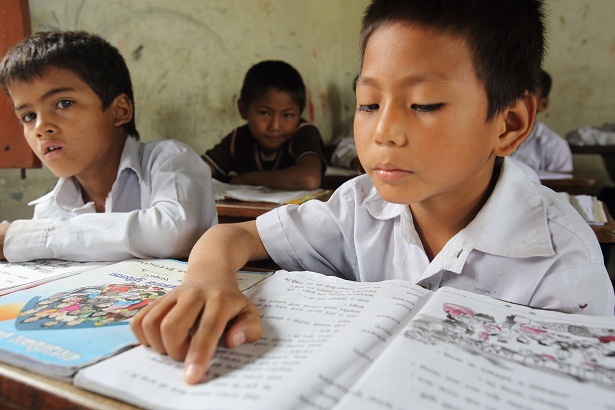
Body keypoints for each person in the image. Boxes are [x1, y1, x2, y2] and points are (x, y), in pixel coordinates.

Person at [132, 0, 615, 385]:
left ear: (509, 124)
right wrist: (208, 281)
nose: (383, 132)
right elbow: (232, 237)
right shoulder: (358, 206)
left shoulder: (562, 262)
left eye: (424, 104)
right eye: (368, 103)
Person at [0, 30, 217, 262]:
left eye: (64, 103)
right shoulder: (50, 210)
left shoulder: (169, 160)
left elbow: (175, 233)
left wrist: (35, 236)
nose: (41, 127)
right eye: (28, 116)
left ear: (119, 111)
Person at [201, 60, 327, 190]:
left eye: (287, 115)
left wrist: (246, 179)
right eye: (265, 113)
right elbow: (199, 170)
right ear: (243, 109)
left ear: (300, 113)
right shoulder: (239, 138)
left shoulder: (304, 133)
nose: (275, 126)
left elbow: (309, 179)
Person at [510, 69, 573, 173]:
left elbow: (562, 181)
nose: (513, 103)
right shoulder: (488, 137)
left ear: (543, 104)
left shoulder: (555, 146)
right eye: (508, 95)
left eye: (523, 98)